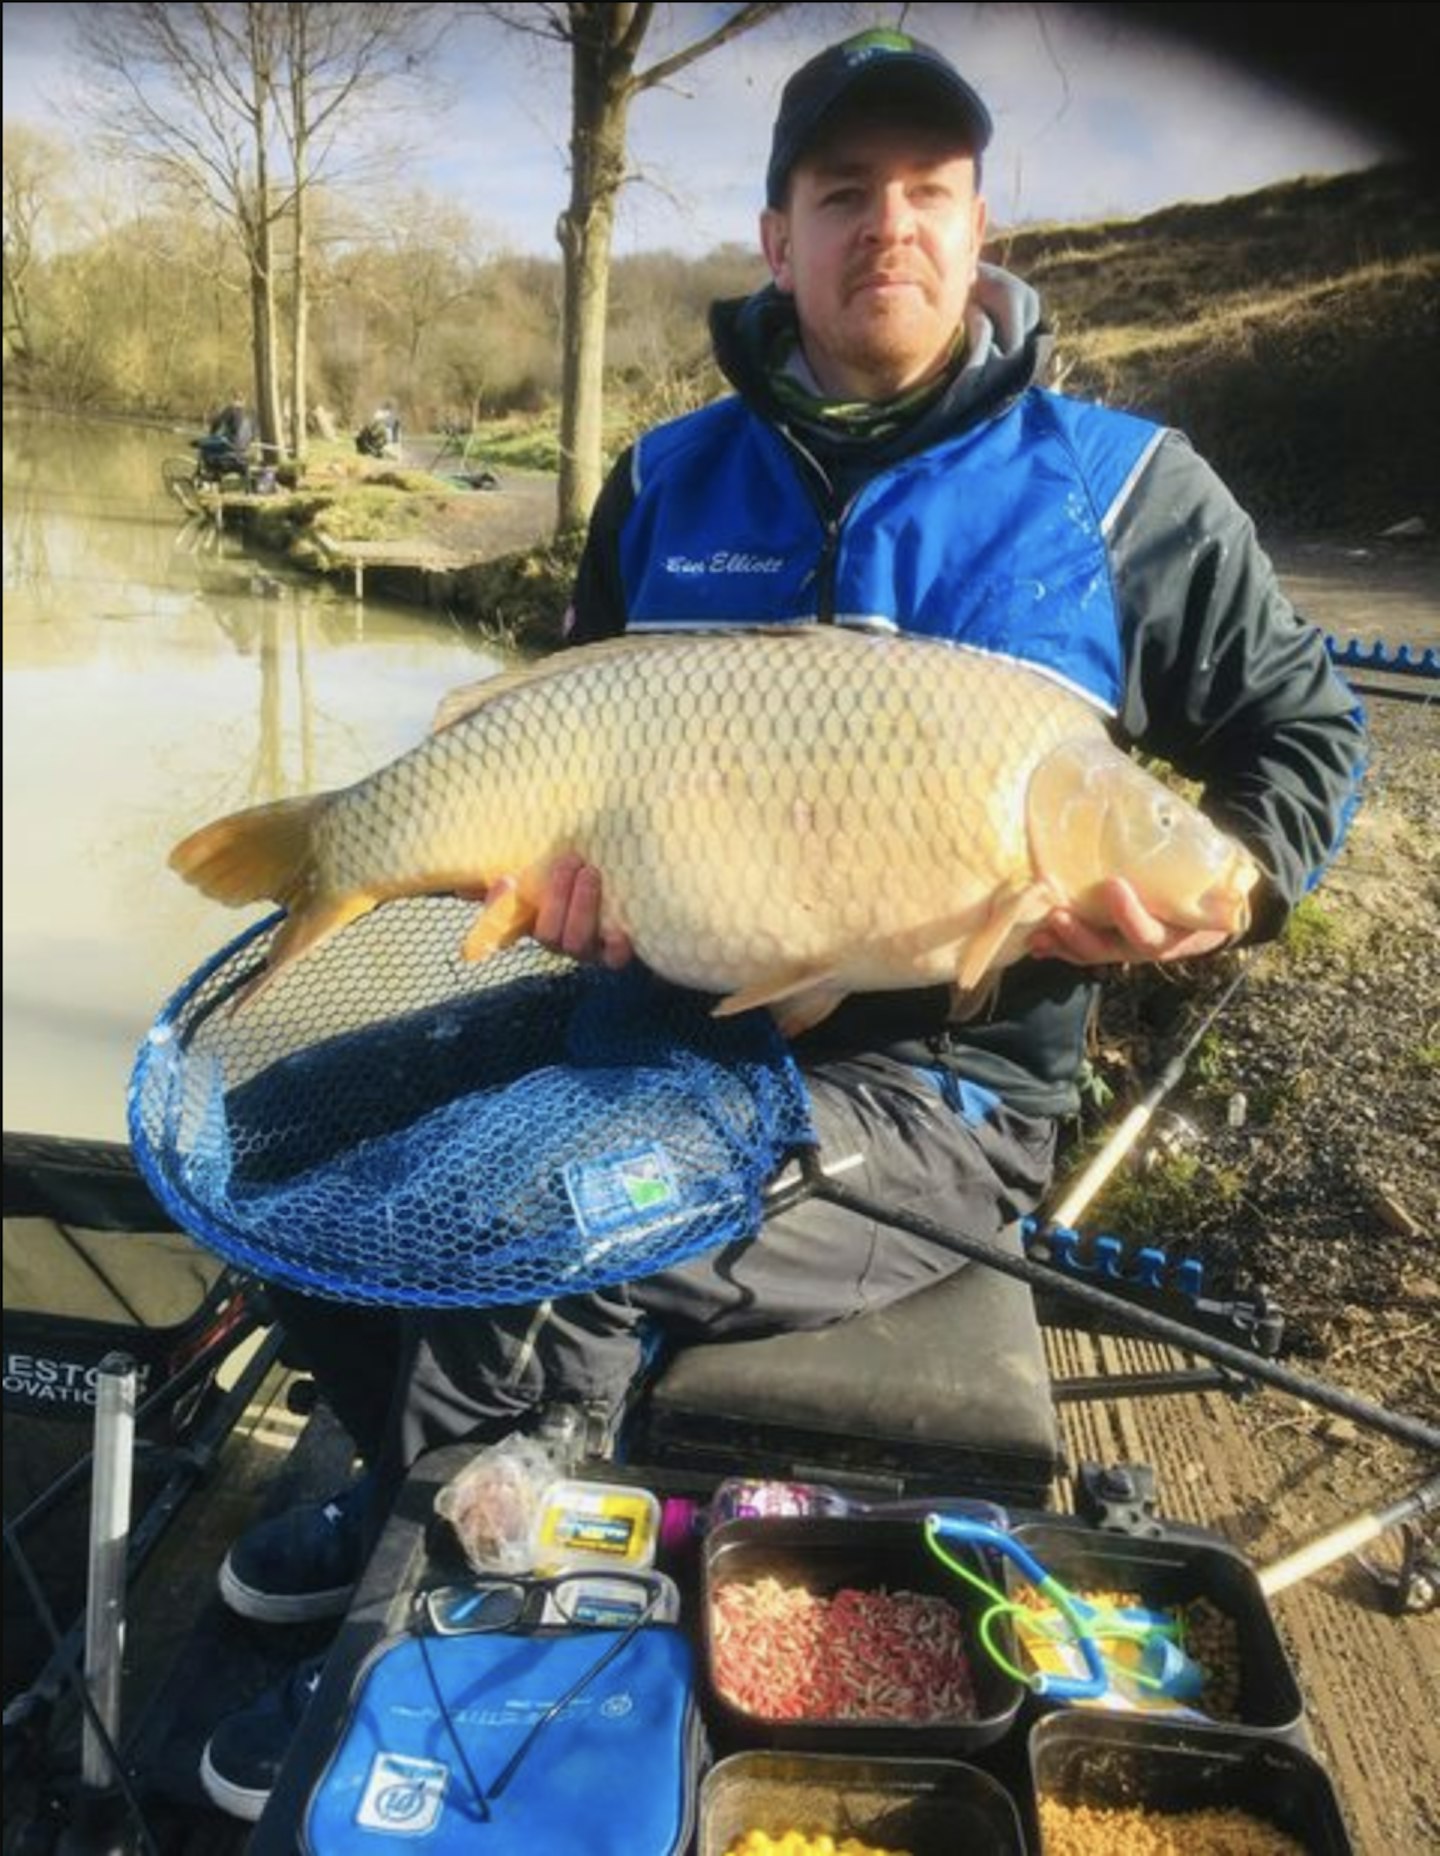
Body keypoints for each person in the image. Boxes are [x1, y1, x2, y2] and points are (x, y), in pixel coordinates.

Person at [197, 28, 1366, 1821]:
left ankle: (424, 1633)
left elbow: (1310, 737)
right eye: (843, 194)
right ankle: (414, 1479)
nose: (885, 226)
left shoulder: (1127, 491)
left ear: (982, 231)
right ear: (774, 235)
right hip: (645, 1021)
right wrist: (562, 896)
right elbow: (563, 767)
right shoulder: (666, 480)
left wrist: (1230, 895)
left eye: (927, 192)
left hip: (927, 1101)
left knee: (532, 1226)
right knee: (264, 1131)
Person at [196, 389, 254, 479]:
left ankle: (211, 473)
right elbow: (251, 435)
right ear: (244, 401)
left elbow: (217, 422)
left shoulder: (231, 409)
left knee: (203, 446)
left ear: (233, 399)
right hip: (243, 448)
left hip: (231, 446)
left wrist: (211, 435)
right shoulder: (247, 415)